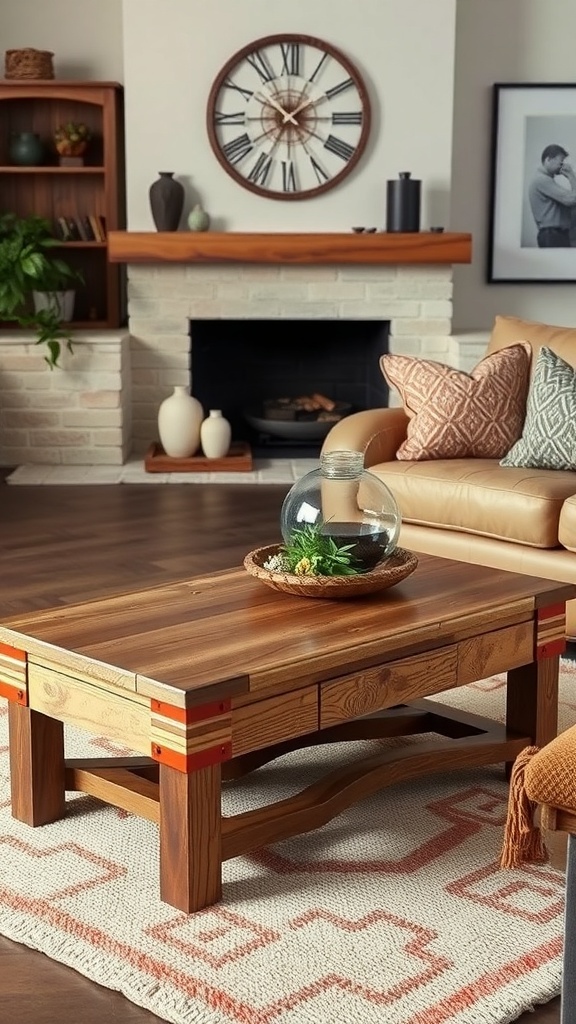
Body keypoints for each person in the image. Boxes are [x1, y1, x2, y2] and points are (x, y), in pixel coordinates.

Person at [528, 144, 576, 247]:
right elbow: (572, 199)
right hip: (553, 236)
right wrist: (571, 176)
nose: (563, 165)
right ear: (548, 159)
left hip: (554, 235)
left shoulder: (544, 180)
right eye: (561, 161)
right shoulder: (542, 180)